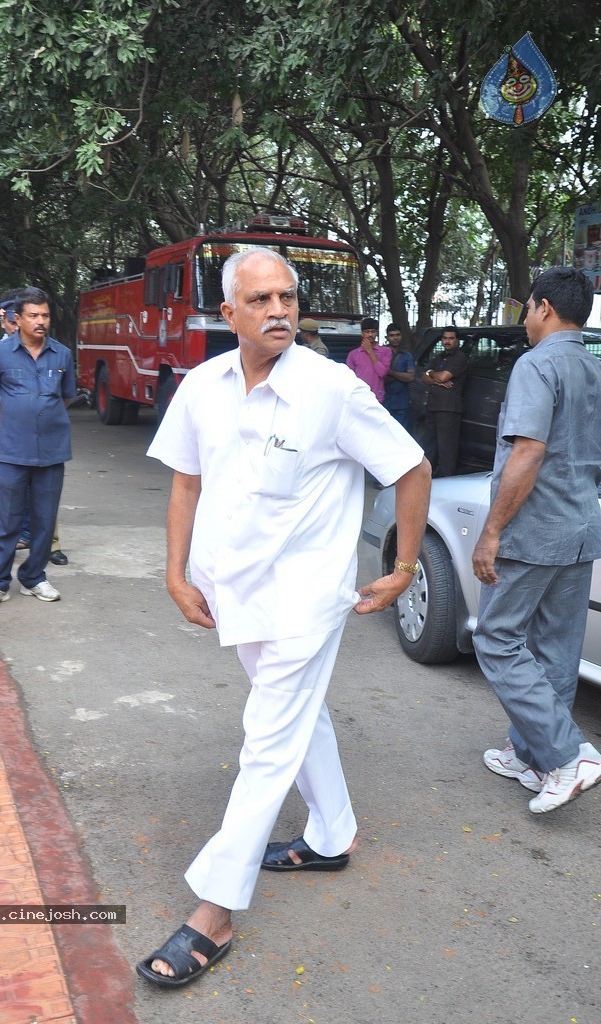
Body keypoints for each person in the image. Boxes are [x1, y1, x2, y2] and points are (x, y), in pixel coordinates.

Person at [139, 248, 431, 988]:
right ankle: (332, 834)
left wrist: (400, 568)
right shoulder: (203, 385)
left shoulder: (331, 389)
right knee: (302, 720)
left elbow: (411, 466)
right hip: (233, 593)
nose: (278, 310)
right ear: (227, 311)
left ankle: (214, 911)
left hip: (305, 599)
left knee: (267, 739)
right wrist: (176, 572)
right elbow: (185, 483)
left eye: (288, 297)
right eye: (260, 299)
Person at [472, 266, 601, 814]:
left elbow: (527, 451)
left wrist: (492, 531)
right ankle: (533, 756)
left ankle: (568, 754)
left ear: (544, 307)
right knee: (555, 647)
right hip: (579, 526)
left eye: (526, 307)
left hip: (534, 531)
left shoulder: (537, 364)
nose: (524, 318)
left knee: (496, 640)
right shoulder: (594, 367)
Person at [0, 287, 76, 609]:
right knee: (7, 520)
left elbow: (66, 396)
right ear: (17, 319)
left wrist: (40, 418)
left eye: (45, 315)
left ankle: (34, 577)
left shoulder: (62, 354)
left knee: (45, 521)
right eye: (33, 315)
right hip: (14, 451)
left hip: (52, 451)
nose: (40, 321)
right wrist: (16, 421)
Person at [421, 326, 468, 476]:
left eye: (451, 338)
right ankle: (427, 477)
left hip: (448, 409)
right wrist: (436, 380)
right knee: (429, 446)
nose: (447, 341)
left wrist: (432, 375)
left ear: (457, 340)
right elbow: (424, 377)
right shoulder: (439, 357)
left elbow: (442, 377)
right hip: (433, 406)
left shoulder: (459, 357)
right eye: (445, 338)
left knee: (446, 448)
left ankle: (446, 481)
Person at [346, 316, 392, 402]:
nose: (370, 335)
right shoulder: (353, 354)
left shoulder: (385, 351)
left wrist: (370, 351)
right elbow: (349, 378)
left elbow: (382, 373)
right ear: (362, 333)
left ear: (377, 333)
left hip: (377, 398)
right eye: (367, 332)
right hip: (358, 397)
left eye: (373, 331)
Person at [382, 322, 415, 430]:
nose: (395, 338)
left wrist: (390, 372)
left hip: (402, 403)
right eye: (392, 335)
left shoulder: (407, 356)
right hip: (383, 401)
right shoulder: (380, 353)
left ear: (401, 336)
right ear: (387, 337)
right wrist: (401, 376)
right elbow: (380, 377)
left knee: (400, 435)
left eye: (397, 335)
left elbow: (410, 377)